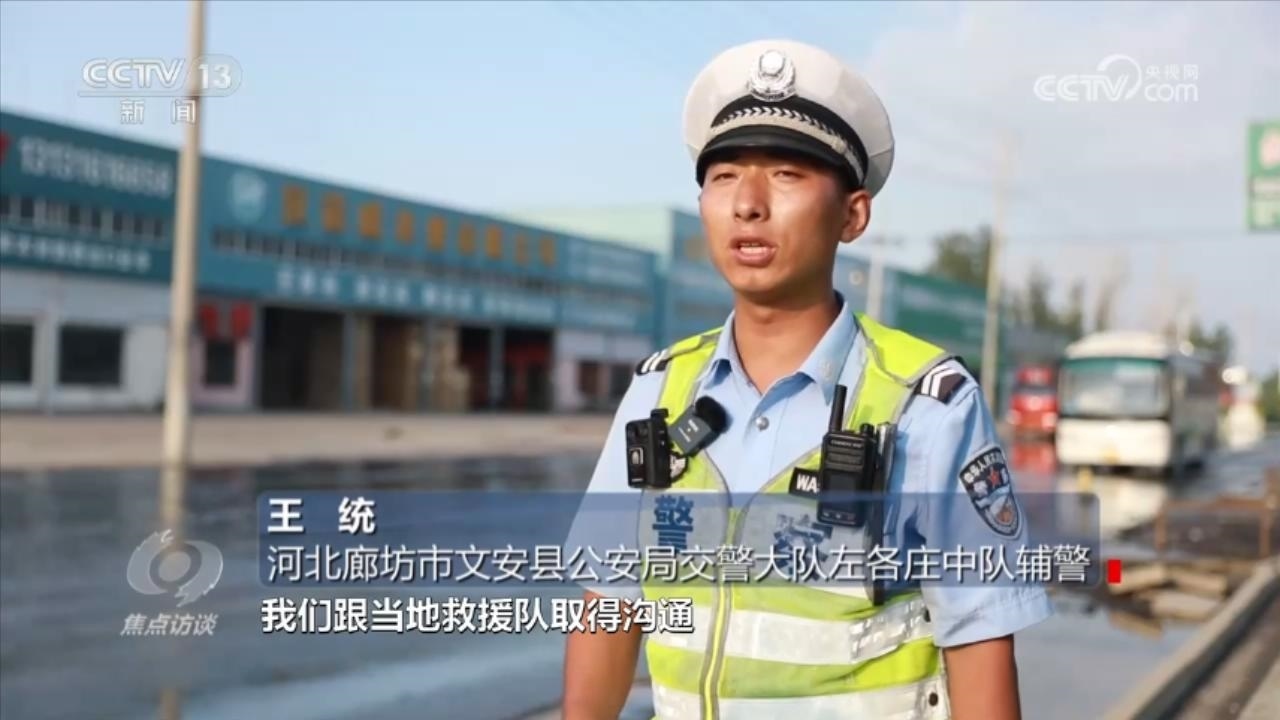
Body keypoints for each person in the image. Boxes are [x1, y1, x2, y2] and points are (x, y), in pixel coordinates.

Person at [561, 38, 1052, 720]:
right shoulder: (658, 393)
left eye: (787, 174)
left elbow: (980, 644)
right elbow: (609, 606)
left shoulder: (926, 405)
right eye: (724, 176)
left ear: (853, 215)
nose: (748, 203)